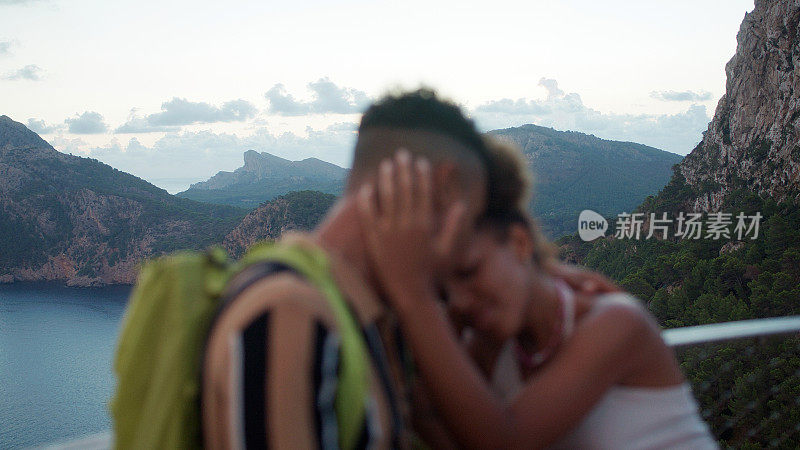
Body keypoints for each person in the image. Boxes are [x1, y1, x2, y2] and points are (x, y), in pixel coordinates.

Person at [356, 139, 718, 449]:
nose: (460, 301)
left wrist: (413, 298)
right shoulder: (489, 343)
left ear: (519, 243)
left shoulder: (617, 322)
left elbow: (506, 442)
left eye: (469, 271)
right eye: (443, 292)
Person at [201, 88, 494, 449]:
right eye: (472, 222)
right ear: (444, 187)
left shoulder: (359, 313)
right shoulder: (291, 309)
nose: (466, 252)